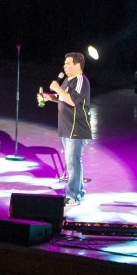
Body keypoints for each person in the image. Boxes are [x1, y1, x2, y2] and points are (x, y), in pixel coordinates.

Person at [38, 50, 92, 205]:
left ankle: (75, 196)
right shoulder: (68, 80)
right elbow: (63, 97)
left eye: (68, 63)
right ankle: (76, 192)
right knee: (71, 162)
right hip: (66, 128)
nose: (64, 66)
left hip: (77, 128)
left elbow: (73, 101)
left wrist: (56, 88)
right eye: (64, 63)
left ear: (77, 65)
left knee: (73, 162)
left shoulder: (81, 80)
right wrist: (48, 97)